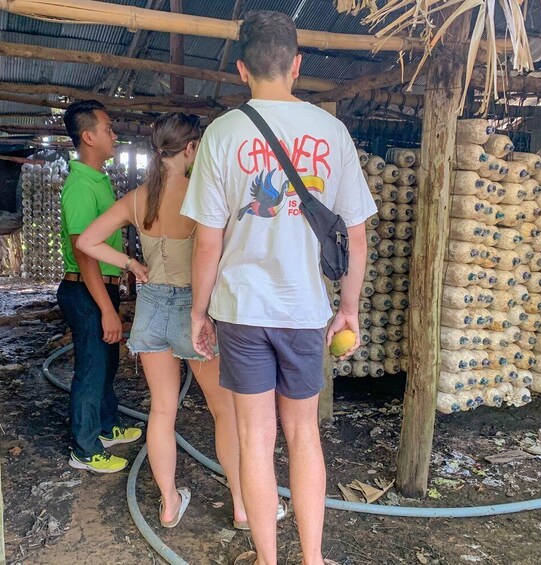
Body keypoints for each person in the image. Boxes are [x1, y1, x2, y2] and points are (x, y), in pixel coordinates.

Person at [181, 10, 376, 565]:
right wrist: (350, 309)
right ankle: (312, 560)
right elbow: (355, 237)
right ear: (296, 64)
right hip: (304, 310)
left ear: (243, 69)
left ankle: (269, 561)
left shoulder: (222, 134)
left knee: (254, 441)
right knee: (304, 436)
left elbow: (205, 244)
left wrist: (200, 311)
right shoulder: (331, 133)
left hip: (241, 310)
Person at [76, 113, 285, 528]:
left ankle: (169, 504)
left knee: (162, 412)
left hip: (151, 308)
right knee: (223, 411)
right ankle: (244, 507)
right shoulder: (204, 195)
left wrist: (132, 262)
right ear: (190, 149)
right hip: (196, 311)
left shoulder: (138, 198)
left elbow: (86, 241)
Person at [57, 100, 142, 474]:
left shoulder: (99, 181)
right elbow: (85, 252)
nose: (114, 134)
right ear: (88, 136)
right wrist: (106, 309)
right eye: (108, 128)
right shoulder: (79, 187)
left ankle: (106, 427)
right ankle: (85, 447)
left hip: (100, 288)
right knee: (91, 369)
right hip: (85, 287)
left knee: (107, 362)